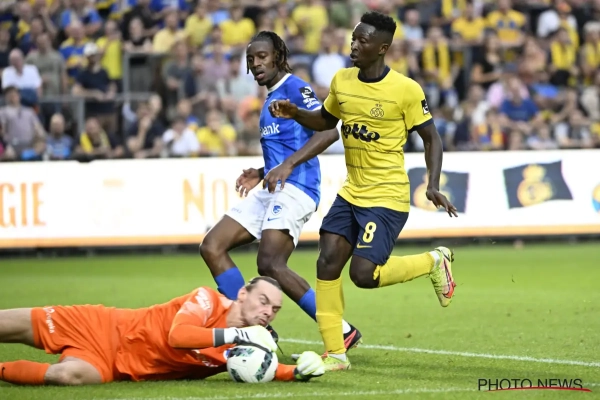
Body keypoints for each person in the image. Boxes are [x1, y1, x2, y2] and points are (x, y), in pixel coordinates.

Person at [267, 12, 458, 371]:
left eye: (362, 41)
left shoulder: (406, 89)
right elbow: (326, 121)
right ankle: (335, 354)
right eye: (353, 38)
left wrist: (432, 184)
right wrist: (295, 113)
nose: (354, 45)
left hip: (387, 196)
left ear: (382, 48)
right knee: (327, 262)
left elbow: (431, 137)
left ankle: (434, 261)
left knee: (363, 275)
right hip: (352, 191)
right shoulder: (342, 80)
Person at [199, 31, 363, 352]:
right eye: (251, 59)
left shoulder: (295, 87)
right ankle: (250, 326)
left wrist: (286, 166)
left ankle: (339, 329)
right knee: (212, 246)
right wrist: (262, 172)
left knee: (270, 262)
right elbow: (288, 146)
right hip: (272, 188)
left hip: (298, 187)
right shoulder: (268, 99)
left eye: (262, 56)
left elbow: (328, 132)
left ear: (278, 56)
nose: (256, 64)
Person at [0, 277, 325, 385]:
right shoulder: (208, 299)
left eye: (275, 309)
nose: (268, 312)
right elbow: (178, 336)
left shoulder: (243, 349)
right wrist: (237, 335)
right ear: (242, 294)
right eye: (263, 301)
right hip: (101, 325)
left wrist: (299, 371)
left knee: (66, 377)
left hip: (115, 366)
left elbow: (265, 367)